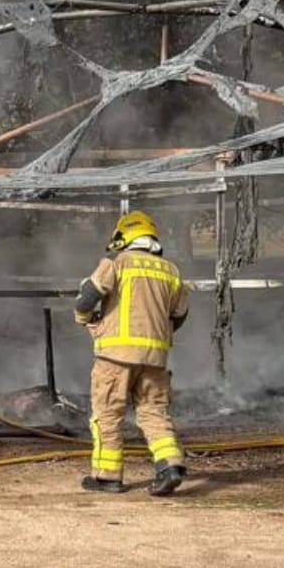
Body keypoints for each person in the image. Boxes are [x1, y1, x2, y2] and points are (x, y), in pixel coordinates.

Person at [74, 210, 190, 496]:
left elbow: (88, 297)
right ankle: (171, 465)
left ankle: (106, 476)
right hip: (154, 359)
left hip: (115, 356)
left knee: (107, 415)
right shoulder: (171, 271)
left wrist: (84, 319)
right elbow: (179, 315)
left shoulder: (116, 262)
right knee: (154, 412)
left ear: (125, 237)